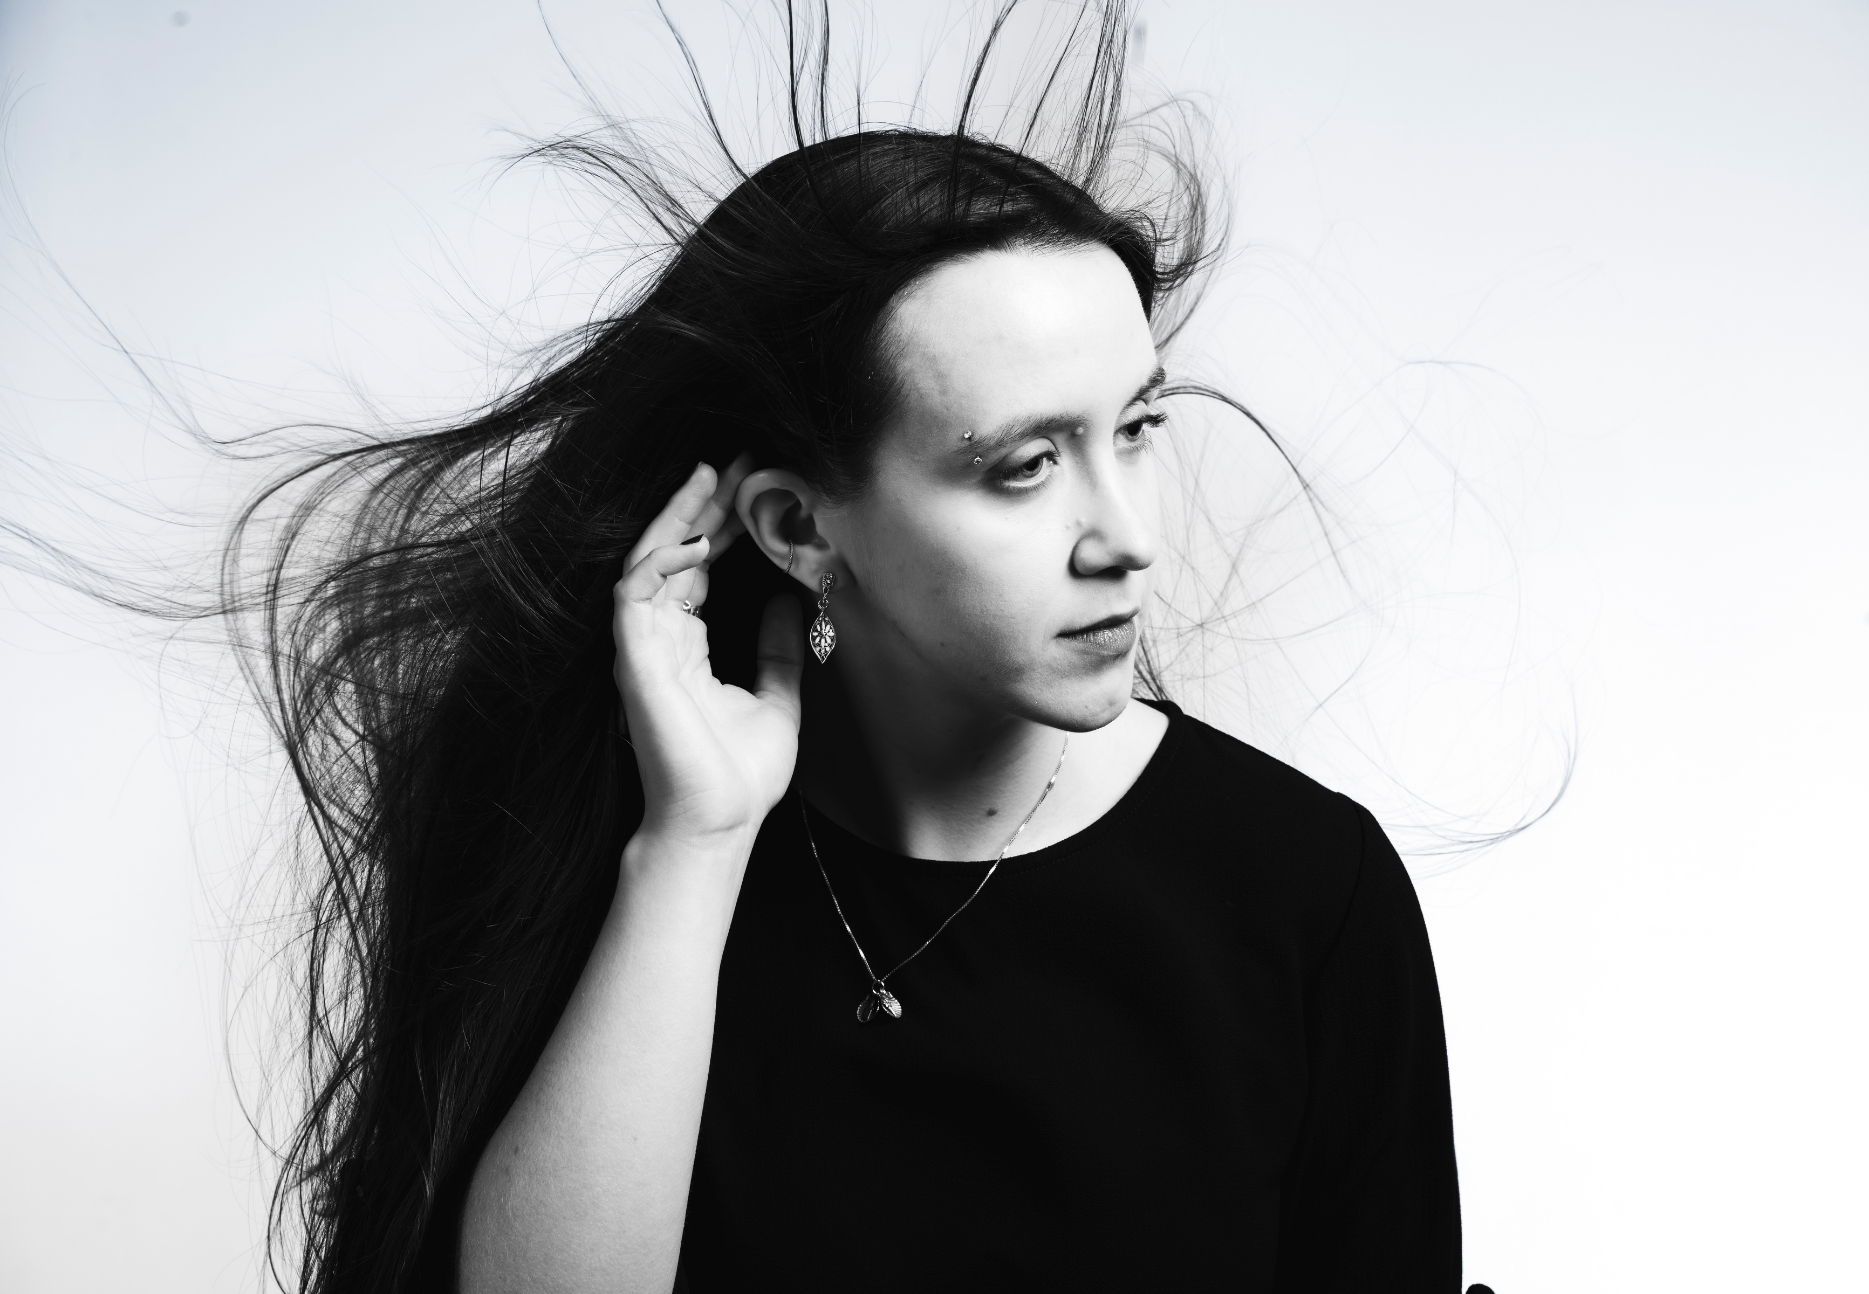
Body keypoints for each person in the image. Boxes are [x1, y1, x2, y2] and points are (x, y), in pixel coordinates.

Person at [242, 6, 1463, 1291]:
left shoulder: (1306, 891)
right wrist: (694, 847)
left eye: (1137, 428)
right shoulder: (612, 848)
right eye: (1027, 464)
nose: (1130, 537)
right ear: (800, 528)